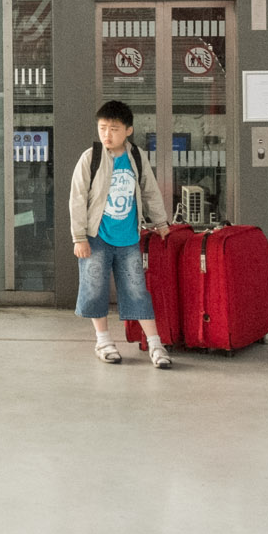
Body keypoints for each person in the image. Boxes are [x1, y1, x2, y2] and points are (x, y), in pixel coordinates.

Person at [68, 100, 173, 367]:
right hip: (96, 238)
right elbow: (77, 199)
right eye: (102, 128)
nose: (107, 134)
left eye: (114, 129)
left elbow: (150, 191)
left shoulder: (136, 156)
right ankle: (103, 340)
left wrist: (161, 222)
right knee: (94, 289)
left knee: (137, 291)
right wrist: (79, 237)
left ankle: (156, 345)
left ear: (128, 130)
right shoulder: (90, 158)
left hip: (129, 239)